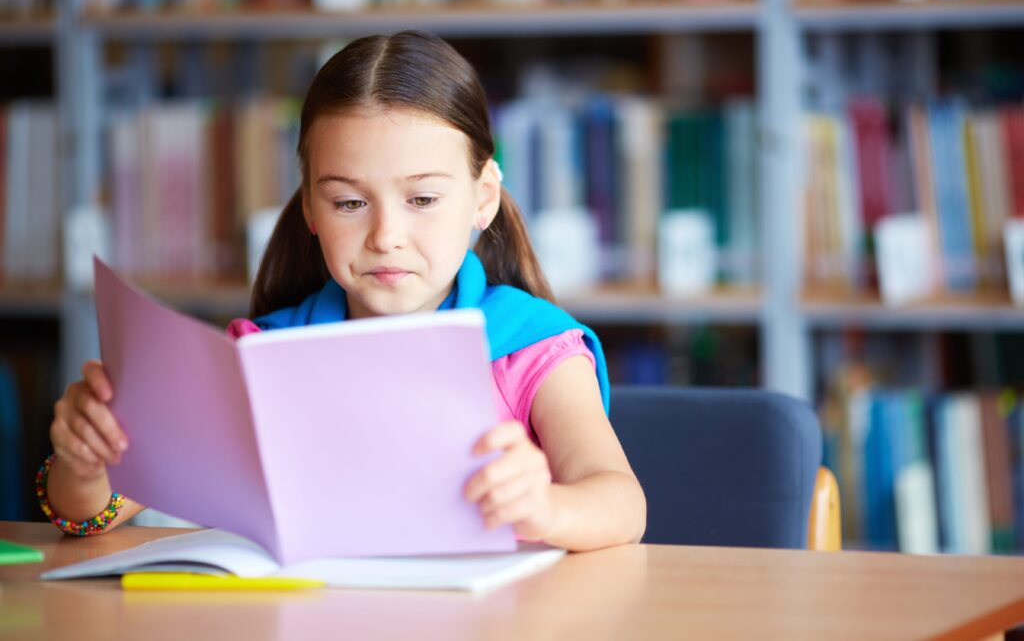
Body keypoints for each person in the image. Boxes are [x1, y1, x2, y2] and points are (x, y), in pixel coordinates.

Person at [42, 30, 646, 552]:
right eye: (350, 203)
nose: (386, 236)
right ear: (310, 206)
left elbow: (622, 504)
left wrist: (547, 508)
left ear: (482, 196)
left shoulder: (534, 351)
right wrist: (85, 460)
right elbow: (91, 516)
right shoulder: (260, 357)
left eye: (423, 200)